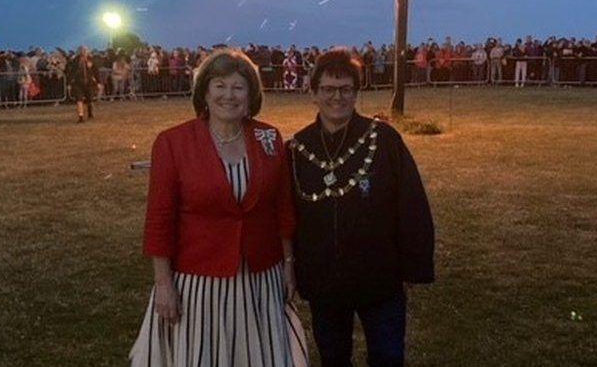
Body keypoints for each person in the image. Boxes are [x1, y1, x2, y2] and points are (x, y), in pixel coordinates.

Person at [131, 48, 308, 367]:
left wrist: (288, 263)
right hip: (200, 283)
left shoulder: (268, 137)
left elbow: (282, 208)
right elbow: (160, 218)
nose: (229, 95)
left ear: (251, 95)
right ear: (205, 92)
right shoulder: (173, 143)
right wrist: (163, 282)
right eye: (220, 85)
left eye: (239, 87)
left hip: (260, 280)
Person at [288, 49, 435, 367]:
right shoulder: (298, 149)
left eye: (345, 89)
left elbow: (411, 205)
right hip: (323, 281)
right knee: (333, 357)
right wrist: (293, 268)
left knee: (387, 357)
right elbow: (287, 216)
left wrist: (414, 265)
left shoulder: (384, 139)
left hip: (380, 277)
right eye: (328, 89)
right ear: (313, 93)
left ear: (357, 92)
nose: (336, 97)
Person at [68, 46, 99, 123]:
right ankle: (81, 116)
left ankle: (90, 112)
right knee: (79, 99)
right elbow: (71, 72)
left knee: (90, 99)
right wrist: (69, 83)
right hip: (78, 83)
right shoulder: (75, 61)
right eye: (82, 50)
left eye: (85, 50)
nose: (83, 52)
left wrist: (98, 81)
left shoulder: (91, 60)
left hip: (89, 82)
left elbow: (96, 71)